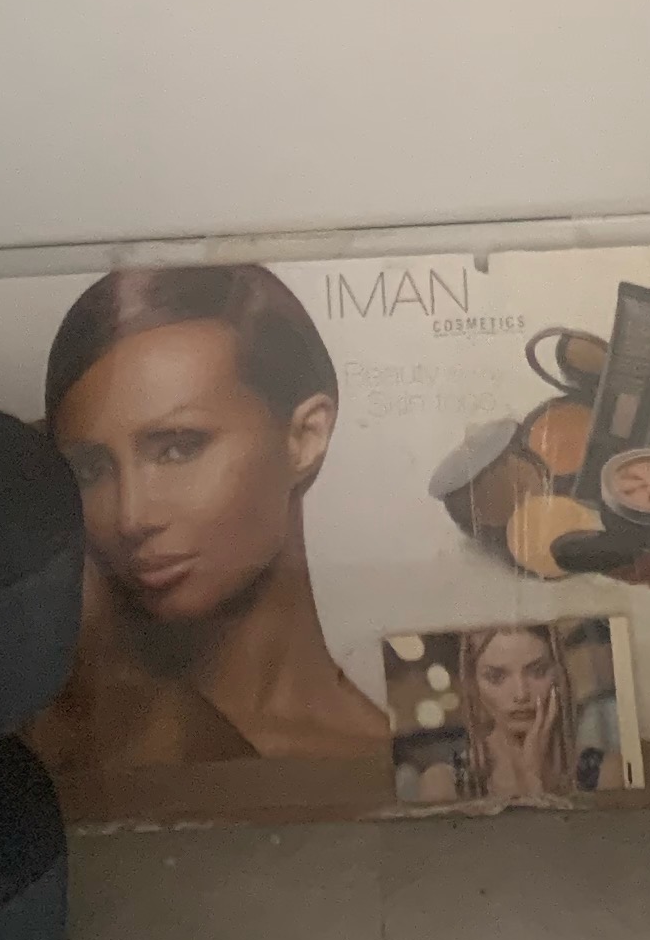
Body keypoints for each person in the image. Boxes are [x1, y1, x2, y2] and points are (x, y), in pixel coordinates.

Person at [33, 262, 389, 774]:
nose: (131, 517)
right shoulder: (46, 745)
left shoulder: (416, 759)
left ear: (304, 437)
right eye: (90, 470)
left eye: (178, 448)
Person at [460, 623, 575, 806]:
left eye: (537, 672)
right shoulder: (444, 781)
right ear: (474, 684)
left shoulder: (605, 770)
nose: (521, 695)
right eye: (496, 677)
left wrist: (533, 776)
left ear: (558, 675)